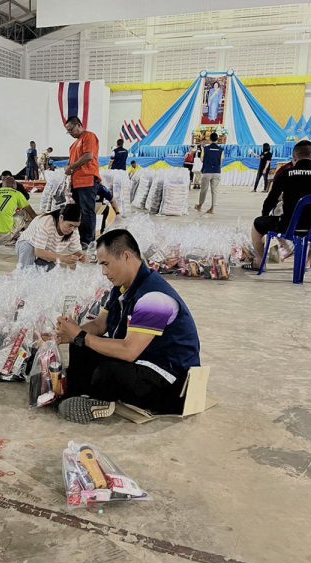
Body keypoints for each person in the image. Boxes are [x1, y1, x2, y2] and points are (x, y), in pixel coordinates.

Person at [55, 229, 201, 424]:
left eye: (106, 264)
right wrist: (67, 333)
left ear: (126, 256)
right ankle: (78, 391)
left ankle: (99, 400)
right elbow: (100, 324)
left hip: (169, 379)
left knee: (108, 372)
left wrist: (80, 335)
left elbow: (129, 351)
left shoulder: (154, 298)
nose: (104, 272)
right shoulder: (122, 287)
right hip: (143, 360)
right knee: (81, 346)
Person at [243, 140, 311, 272]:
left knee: (257, 225)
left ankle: (259, 262)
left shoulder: (286, 174)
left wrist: (265, 215)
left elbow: (271, 200)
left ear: (294, 158)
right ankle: (306, 262)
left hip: (289, 225)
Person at [64, 116, 100, 248]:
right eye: (68, 131)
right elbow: (72, 163)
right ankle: (80, 238)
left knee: (87, 211)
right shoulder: (74, 144)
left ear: (79, 125)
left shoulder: (88, 136)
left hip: (87, 180)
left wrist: (71, 167)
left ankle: (88, 241)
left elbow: (88, 156)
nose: (70, 133)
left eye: (71, 129)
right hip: (77, 182)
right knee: (79, 212)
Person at [15, 204, 85, 270]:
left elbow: (76, 250)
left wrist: (82, 256)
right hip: (28, 245)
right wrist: (63, 258)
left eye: (76, 226)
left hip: (46, 251)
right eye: (70, 225)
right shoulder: (46, 222)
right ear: (61, 218)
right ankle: (20, 272)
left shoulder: (74, 230)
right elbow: (38, 252)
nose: (72, 229)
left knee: (45, 272)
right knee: (26, 270)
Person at [0, 174, 37, 245]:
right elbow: (31, 212)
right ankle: (11, 238)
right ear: (14, 185)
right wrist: (42, 222)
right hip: (6, 234)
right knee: (24, 213)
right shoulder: (17, 193)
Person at [195, 132, 223, 214]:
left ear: (210, 139)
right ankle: (213, 208)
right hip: (217, 172)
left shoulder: (205, 149)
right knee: (214, 191)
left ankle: (200, 206)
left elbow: (202, 159)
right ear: (217, 139)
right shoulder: (221, 149)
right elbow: (221, 161)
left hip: (207, 171)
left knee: (204, 190)